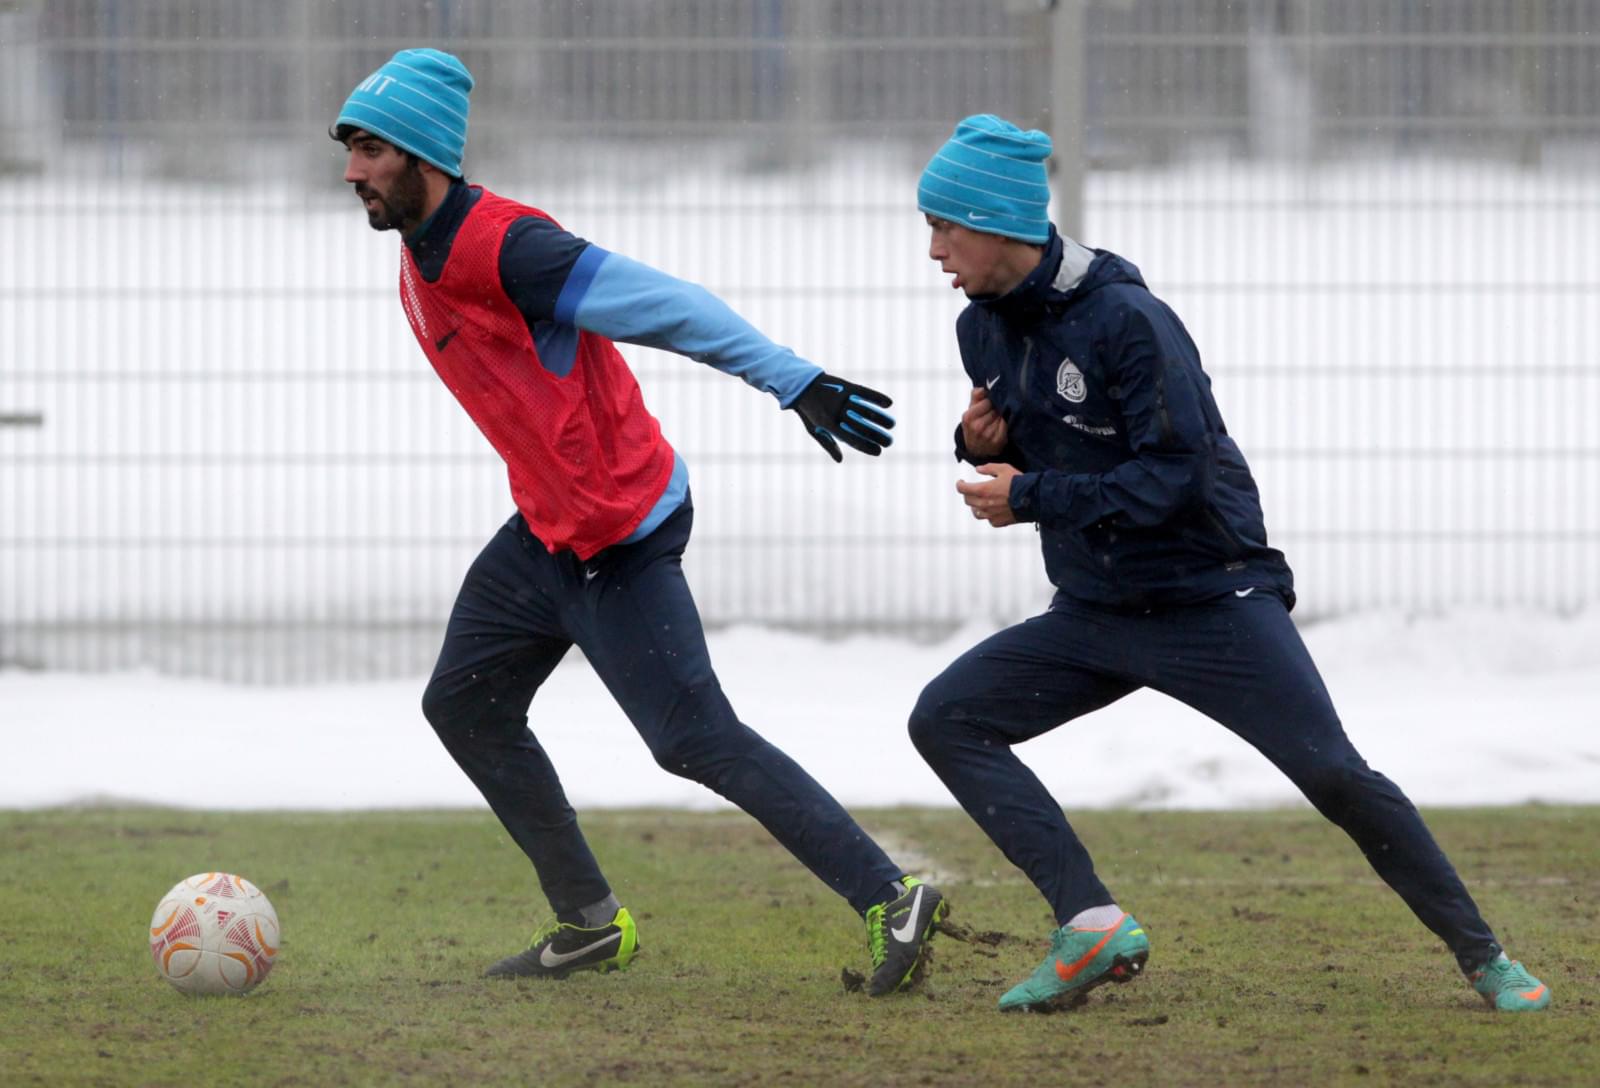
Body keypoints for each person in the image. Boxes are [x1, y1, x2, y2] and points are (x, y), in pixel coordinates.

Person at [329, 48, 945, 995]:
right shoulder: (417, 252)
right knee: (464, 703)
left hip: (620, 534)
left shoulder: (513, 249)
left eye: (368, 149)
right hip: (546, 534)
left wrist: (795, 381)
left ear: (422, 154)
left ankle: (888, 894)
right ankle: (587, 925)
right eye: (348, 148)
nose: (351, 172)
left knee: (694, 738)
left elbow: (669, 306)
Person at [906, 114, 1550, 1014]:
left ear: (1004, 225)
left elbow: (1172, 477)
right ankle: (1087, 922)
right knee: (947, 717)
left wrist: (1033, 496)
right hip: (1094, 610)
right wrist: (979, 440)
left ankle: (1484, 957)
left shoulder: (1131, 320)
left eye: (946, 227)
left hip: (1212, 598)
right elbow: (1053, 446)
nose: (932, 248)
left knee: (1334, 775)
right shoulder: (981, 328)